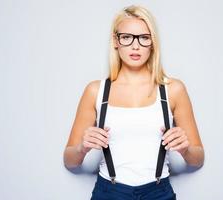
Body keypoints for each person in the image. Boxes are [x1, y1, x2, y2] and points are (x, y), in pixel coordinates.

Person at [63, 5, 205, 200]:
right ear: (116, 41)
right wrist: (82, 147)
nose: (135, 46)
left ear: (152, 43)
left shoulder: (173, 89)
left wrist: (185, 149)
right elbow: (70, 160)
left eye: (144, 38)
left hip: (158, 193)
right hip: (109, 193)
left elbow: (197, 159)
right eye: (127, 37)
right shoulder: (96, 91)